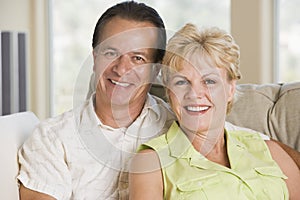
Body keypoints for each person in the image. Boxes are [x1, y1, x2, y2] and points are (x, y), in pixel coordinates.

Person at [129, 24, 300, 199]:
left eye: (209, 81)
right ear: (168, 90)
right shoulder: (151, 163)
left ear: (231, 89)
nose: (194, 94)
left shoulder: (269, 150)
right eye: (181, 82)